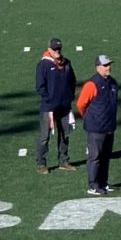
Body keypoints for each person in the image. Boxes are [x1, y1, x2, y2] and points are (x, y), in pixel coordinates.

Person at [75, 54, 118, 195]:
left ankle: (103, 183)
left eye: (109, 64)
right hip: (96, 128)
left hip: (109, 127)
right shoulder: (91, 84)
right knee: (95, 157)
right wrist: (89, 117)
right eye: (105, 65)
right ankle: (93, 185)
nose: (108, 67)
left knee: (105, 157)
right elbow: (81, 104)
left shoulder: (113, 83)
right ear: (98, 67)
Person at [35, 38, 77, 174]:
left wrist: (69, 97)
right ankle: (41, 163)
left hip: (64, 106)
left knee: (65, 135)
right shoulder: (43, 65)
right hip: (49, 107)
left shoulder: (67, 63)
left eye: (59, 49)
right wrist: (50, 100)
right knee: (44, 137)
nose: (57, 51)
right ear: (49, 50)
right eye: (55, 49)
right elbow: (40, 87)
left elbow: (73, 81)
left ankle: (63, 160)